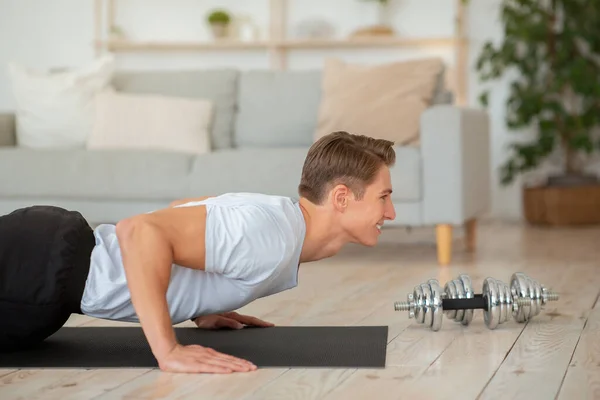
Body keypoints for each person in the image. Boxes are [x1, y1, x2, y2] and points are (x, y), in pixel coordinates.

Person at [0, 130, 397, 374]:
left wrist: (201, 298)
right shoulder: (270, 235)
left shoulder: (278, 220)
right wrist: (168, 350)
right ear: (342, 198)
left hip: (48, 271)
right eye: (384, 197)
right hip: (36, 270)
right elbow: (139, 230)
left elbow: (183, 208)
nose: (391, 212)